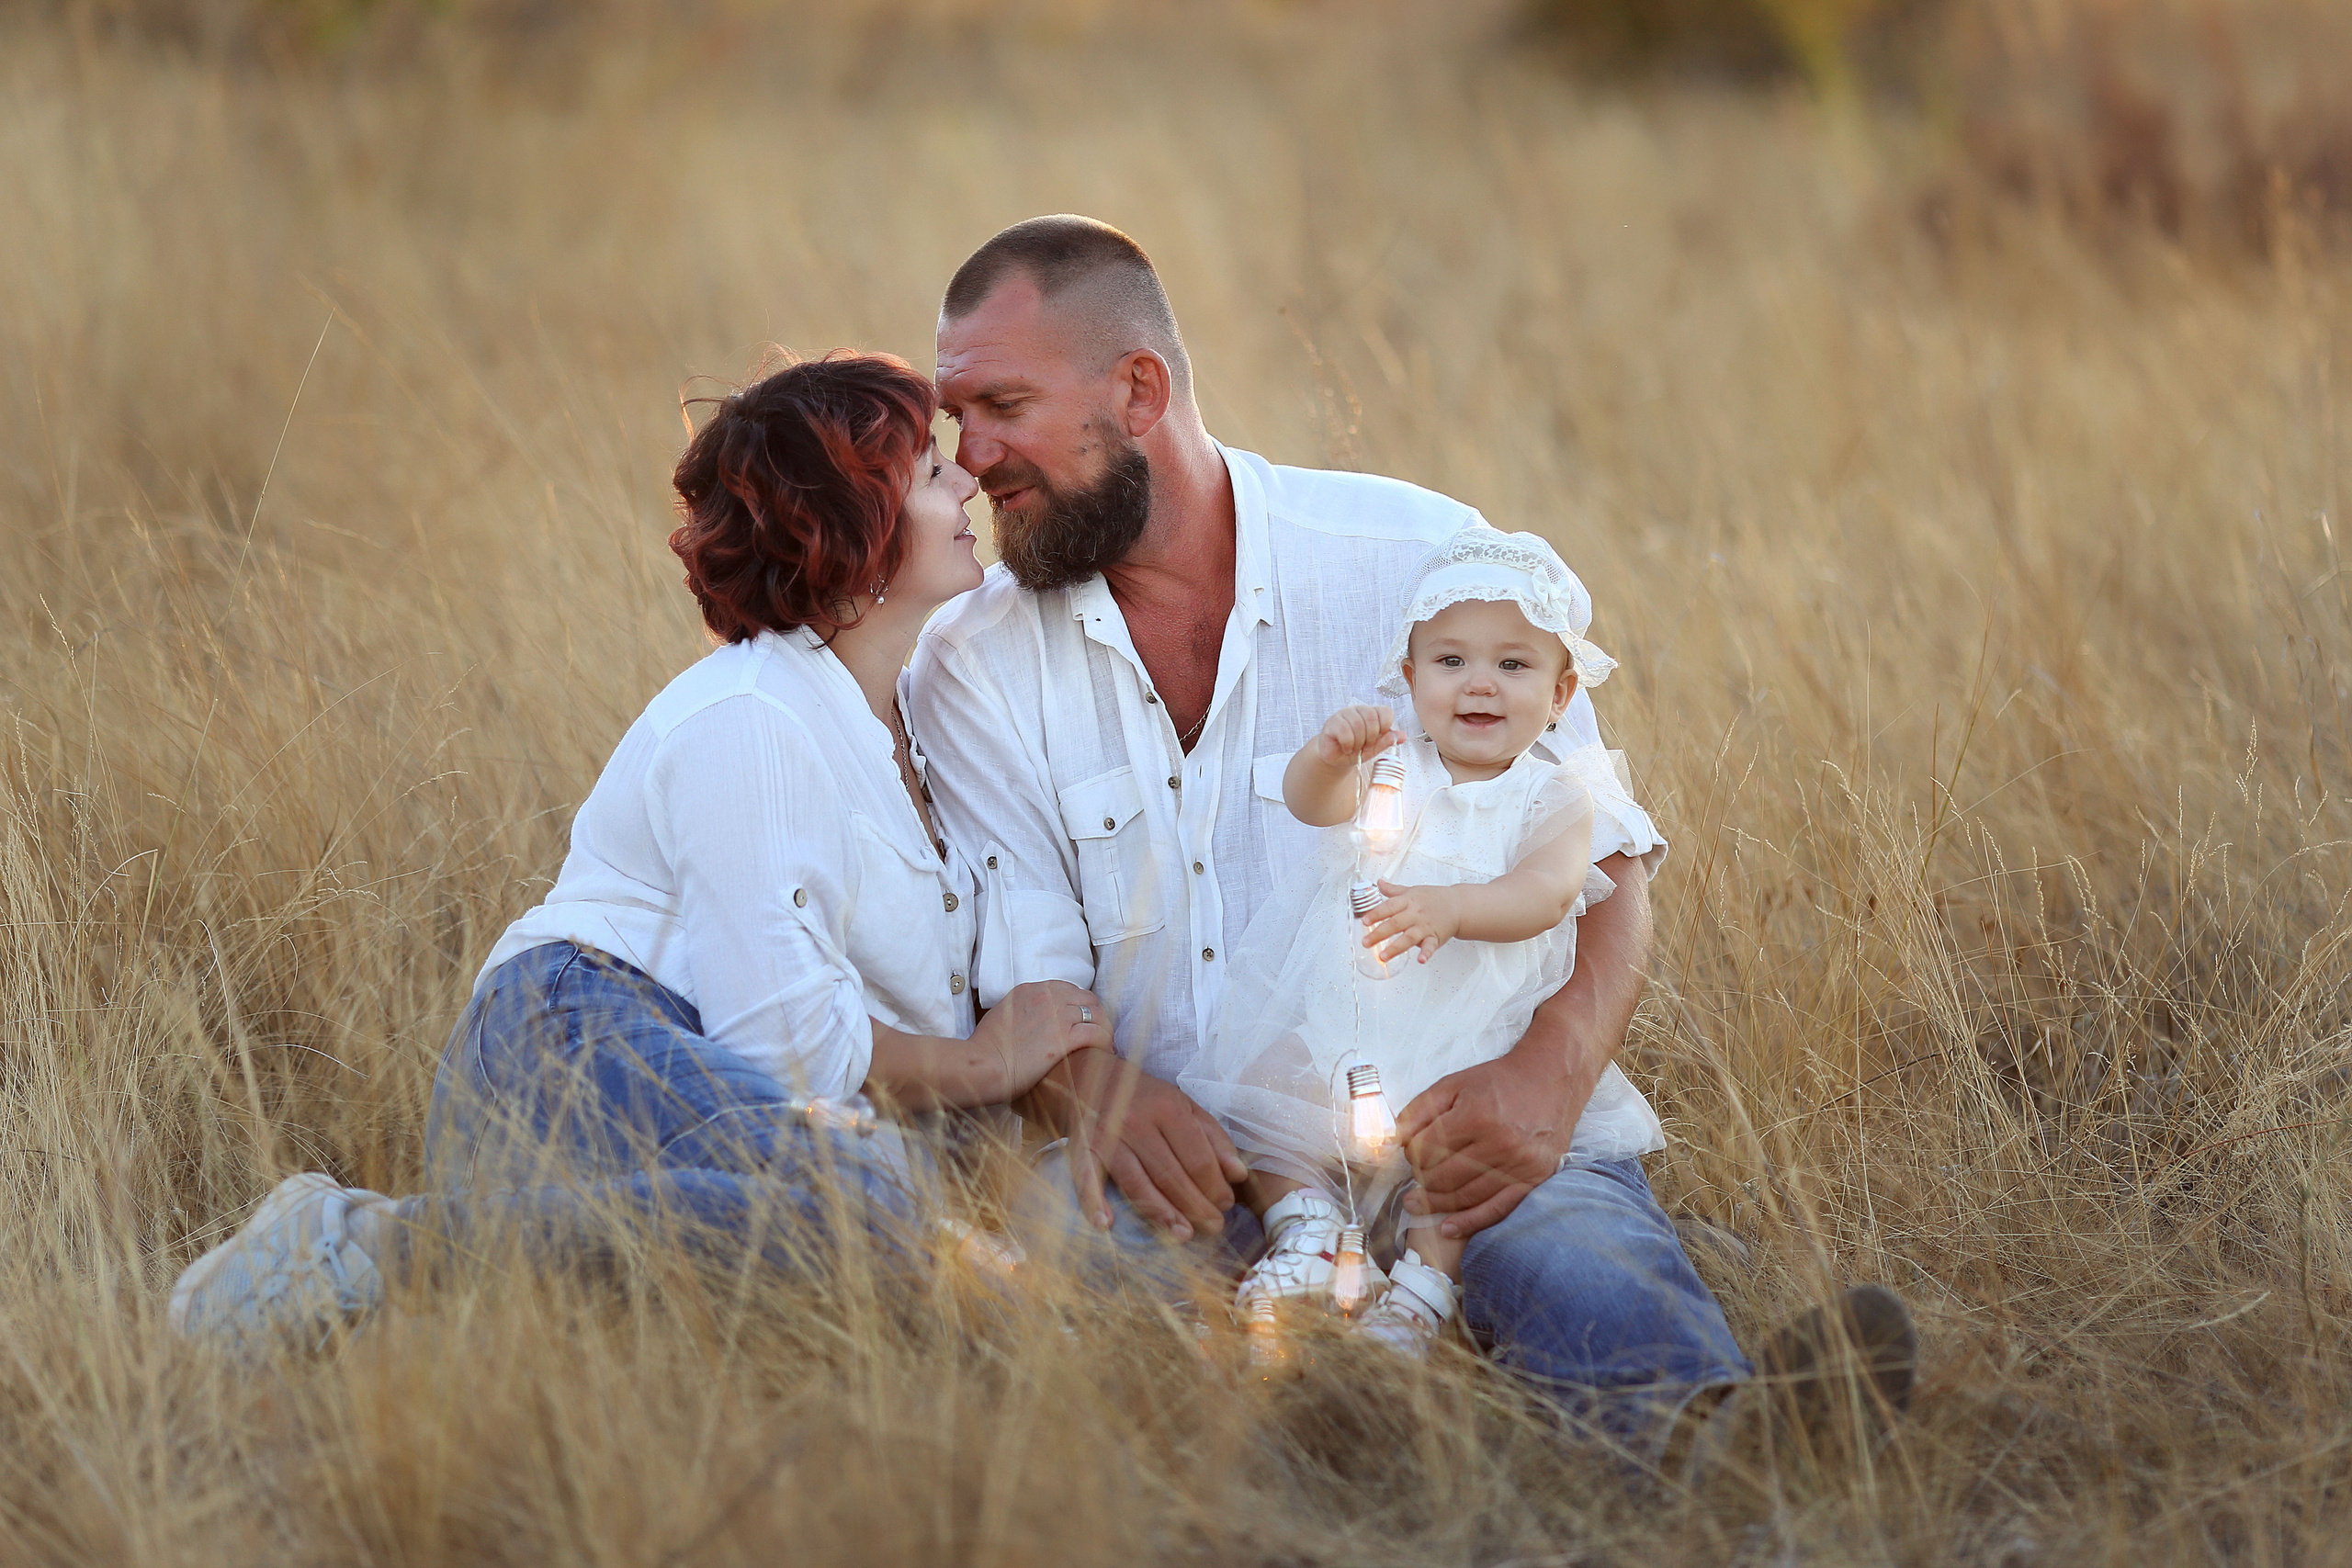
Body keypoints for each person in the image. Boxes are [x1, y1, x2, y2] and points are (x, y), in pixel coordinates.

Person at [908, 215, 1915, 1460]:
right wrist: (1097, 1088)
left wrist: (1545, 1076)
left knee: (1567, 1238)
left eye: (1001, 404)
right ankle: (1282, 1460)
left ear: (1139, 388)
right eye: (957, 416)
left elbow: (1602, 867)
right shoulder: (969, 661)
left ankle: (1724, 1437)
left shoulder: (1420, 558)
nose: (972, 455)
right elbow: (1027, 953)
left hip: (1464, 1117)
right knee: (1072, 1268)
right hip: (1201, 1164)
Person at [170, 351, 1110, 1350]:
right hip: (575, 1040)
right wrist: (986, 1061)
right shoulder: (751, 718)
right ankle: (358, 1245)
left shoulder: (914, 721)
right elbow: (786, 1044)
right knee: (870, 1214)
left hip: (713, 1107)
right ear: (851, 531)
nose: (967, 479)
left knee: (941, 1271)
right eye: (929, 473)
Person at [1178, 529, 1659, 1359]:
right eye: (1450, 662)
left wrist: (1456, 907)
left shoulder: (1556, 793)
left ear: (1560, 693)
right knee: (1264, 1093)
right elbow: (1312, 807)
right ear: (1410, 678)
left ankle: (1421, 1296)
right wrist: (1328, 759)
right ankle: (1307, 1231)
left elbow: (1545, 894)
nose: (1479, 683)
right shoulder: (1395, 763)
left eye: (1514, 665)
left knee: (1456, 1180)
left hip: (1473, 1045)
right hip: (1349, 1026)